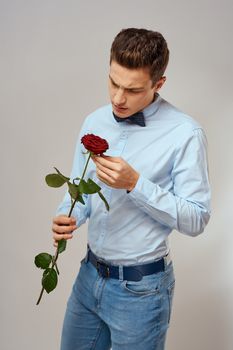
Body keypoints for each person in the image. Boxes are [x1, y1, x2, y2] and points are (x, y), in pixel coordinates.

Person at [52, 28, 211, 350]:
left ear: (159, 84)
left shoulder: (185, 133)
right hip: (88, 275)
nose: (118, 99)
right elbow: (79, 190)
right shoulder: (95, 120)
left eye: (133, 89)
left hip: (141, 291)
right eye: (113, 82)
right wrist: (66, 216)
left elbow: (197, 219)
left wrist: (136, 185)